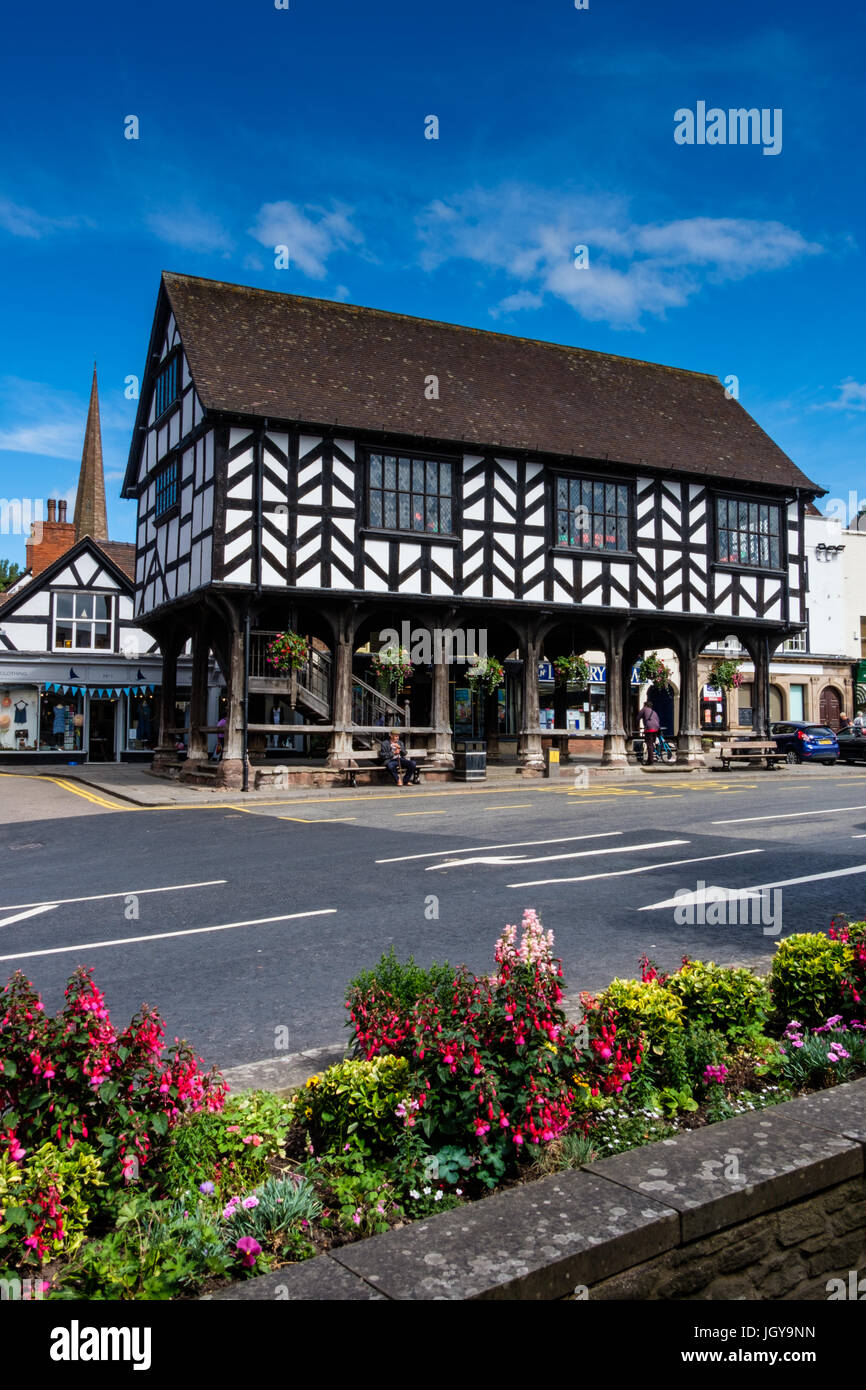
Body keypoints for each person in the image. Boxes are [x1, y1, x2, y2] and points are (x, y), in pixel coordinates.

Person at [639, 699, 661, 764]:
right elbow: (658, 720)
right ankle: (653, 757)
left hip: (649, 729)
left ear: (645, 705)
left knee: (649, 744)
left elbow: (638, 717)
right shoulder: (654, 712)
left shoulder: (644, 709)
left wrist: (636, 725)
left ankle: (650, 760)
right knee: (652, 743)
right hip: (656, 728)